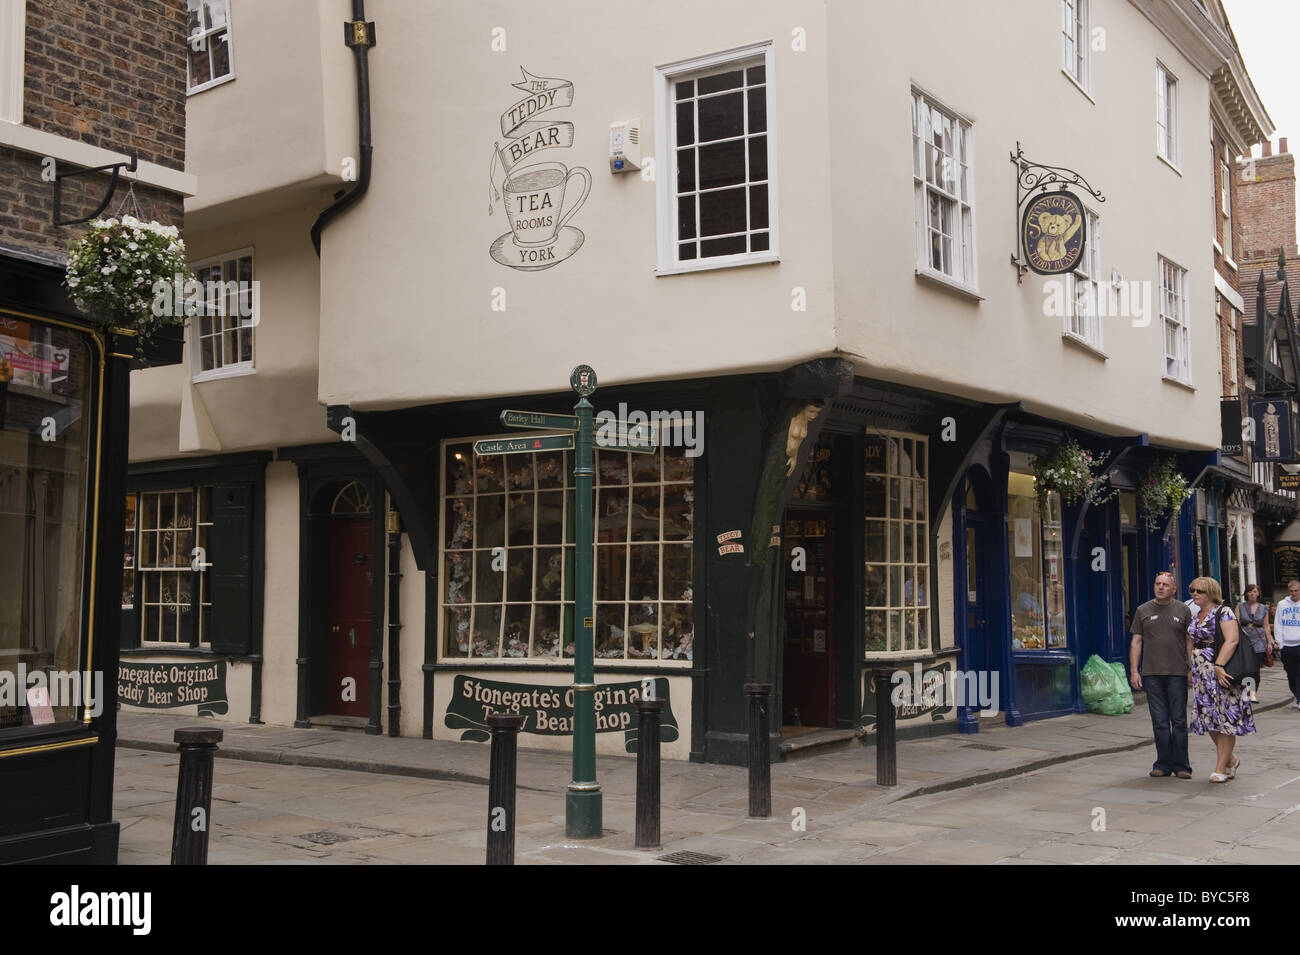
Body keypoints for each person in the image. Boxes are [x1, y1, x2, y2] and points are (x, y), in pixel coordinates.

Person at [1187, 576, 1255, 783]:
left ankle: (1221, 768)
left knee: (1225, 719)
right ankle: (1231, 759)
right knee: (1209, 719)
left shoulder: (1223, 612)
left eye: (1200, 591)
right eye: (1192, 590)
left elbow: (1232, 640)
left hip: (1221, 672)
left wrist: (1218, 665)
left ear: (1211, 593)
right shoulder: (1197, 614)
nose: (1194, 594)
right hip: (1201, 674)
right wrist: (1190, 668)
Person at [1129, 572, 1193, 778]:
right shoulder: (1143, 610)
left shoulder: (1183, 610)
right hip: (1152, 673)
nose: (1161, 587)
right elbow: (1136, 641)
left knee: (1179, 720)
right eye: (1158, 584)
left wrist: (1191, 668)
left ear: (1174, 589)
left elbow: (1189, 641)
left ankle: (1182, 765)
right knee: (1160, 721)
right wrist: (1133, 671)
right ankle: (1163, 764)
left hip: (1177, 672)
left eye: (1166, 585)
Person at [1236, 584, 1278, 694]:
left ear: (1258, 594)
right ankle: (1246, 691)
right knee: (1246, 669)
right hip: (1245, 639)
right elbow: (1235, 624)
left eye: (1255, 591)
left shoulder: (1263, 608)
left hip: (1259, 641)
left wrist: (1270, 642)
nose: (1252, 593)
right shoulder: (1240, 606)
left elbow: (1266, 626)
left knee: (1254, 669)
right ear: (1246, 593)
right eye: (1250, 591)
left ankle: (1252, 692)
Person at [1273, 579, 1300, 708]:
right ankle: (1296, 694)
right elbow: (1278, 623)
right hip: (1287, 645)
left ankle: (1299, 698)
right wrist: (1280, 642)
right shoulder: (1282, 604)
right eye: (1291, 591)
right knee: (1291, 673)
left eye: (1296, 591)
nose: (1294, 593)